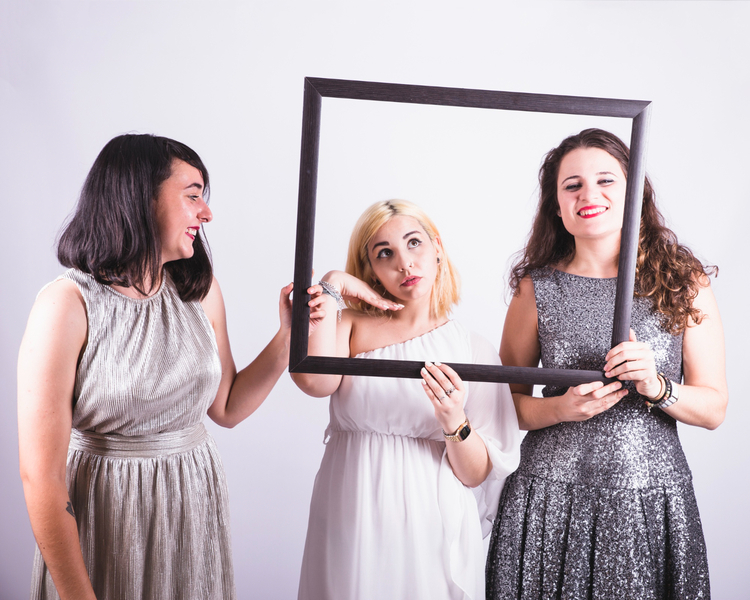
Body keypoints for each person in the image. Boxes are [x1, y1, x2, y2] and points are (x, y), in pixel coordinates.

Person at [17, 134, 316, 600]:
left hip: (191, 505)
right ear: (139, 196)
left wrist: (287, 338)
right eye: (193, 194)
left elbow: (228, 407)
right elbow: (42, 478)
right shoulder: (67, 304)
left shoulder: (199, 289)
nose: (207, 213)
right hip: (108, 512)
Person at [485, 128, 727, 599]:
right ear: (556, 205)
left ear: (635, 190)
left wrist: (658, 387)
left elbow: (714, 408)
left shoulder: (684, 281)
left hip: (647, 498)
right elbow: (499, 402)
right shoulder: (536, 288)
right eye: (572, 185)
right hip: (547, 498)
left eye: (605, 181)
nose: (588, 195)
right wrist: (560, 409)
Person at [291, 199, 521, 600]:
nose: (404, 263)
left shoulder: (474, 349)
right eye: (385, 253)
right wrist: (332, 284)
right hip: (352, 504)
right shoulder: (348, 325)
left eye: (414, 244)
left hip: (431, 519)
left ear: (437, 248)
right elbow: (313, 381)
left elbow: (475, 474)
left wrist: (453, 419)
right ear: (372, 270)